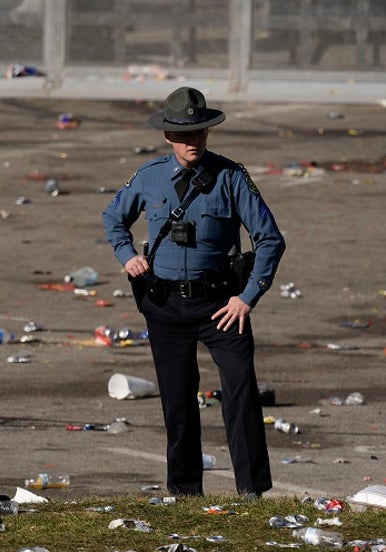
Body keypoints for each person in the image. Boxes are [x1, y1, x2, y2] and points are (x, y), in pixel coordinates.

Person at [102, 86, 286, 498]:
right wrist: (126, 254)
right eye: (184, 135)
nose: (192, 142)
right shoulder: (149, 177)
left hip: (222, 306)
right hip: (164, 305)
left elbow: (270, 239)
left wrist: (248, 297)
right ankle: (185, 492)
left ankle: (251, 490)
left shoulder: (231, 177)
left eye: (199, 133)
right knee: (177, 402)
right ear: (168, 136)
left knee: (240, 393)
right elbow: (114, 217)